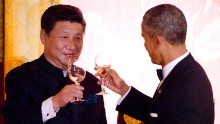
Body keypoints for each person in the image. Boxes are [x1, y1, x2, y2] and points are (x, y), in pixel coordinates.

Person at [96, 4, 214, 124]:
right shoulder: (187, 72)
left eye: (145, 38)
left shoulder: (187, 86)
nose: (145, 45)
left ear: (157, 41)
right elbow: (162, 114)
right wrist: (124, 90)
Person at [3, 4, 107, 124]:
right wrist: (54, 103)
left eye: (77, 38)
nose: (72, 46)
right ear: (43, 37)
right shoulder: (20, 77)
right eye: (64, 37)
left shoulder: (92, 82)